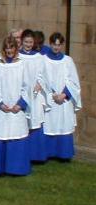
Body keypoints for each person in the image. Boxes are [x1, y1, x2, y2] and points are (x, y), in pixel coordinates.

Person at [0, 36, 31, 176]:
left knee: (16, 136)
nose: (9, 50)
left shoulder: (22, 64)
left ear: (16, 48)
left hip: (17, 109)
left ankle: (16, 169)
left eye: (12, 47)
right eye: (7, 47)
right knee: (1, 135)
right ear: (4, 49)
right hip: (2, 109)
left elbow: (27, 86)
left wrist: (21, 104)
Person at [41, 32, 81, 161]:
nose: (56, 47)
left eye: (58, 45)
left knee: (63, 124)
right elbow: (41, 79)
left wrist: (64, 94)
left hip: (64, 100)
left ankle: (64, 154)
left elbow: (73, 81)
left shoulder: (68, 61)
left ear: (62, 45)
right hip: (49, 98)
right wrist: (52, 94)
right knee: (49, 124)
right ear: (50, 44)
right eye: (54, 44)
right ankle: (49, 153)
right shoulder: (43, 60)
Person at [18, 29, 48, 162]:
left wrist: (40, 83)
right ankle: (21, 154)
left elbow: (44, 75)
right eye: (26, 41)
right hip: (21, 93)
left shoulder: (39, 57)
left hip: (35, 95)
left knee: (35, 123)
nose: (28, 44)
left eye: (30, 42)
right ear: (22, 41)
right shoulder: (17, 56)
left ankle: (35, 155)